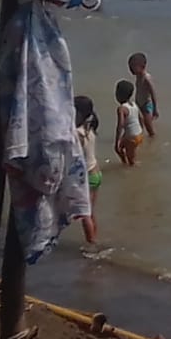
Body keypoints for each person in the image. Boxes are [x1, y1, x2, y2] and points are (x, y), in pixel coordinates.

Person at [74, 96, 101, 244]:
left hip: (88, 178)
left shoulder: (78, 133)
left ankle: (91, 244)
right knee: (90, 212)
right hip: (97, 173)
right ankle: (94, 239)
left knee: (85, 214)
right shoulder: (90, 129)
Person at [113, 80, 144, 167]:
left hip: (131, 137)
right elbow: (141, 118)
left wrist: (117, 140)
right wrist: (141, 131)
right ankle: (124, 163)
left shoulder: (121, 108)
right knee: (121, 149)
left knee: (131, 161)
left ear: (118, 95)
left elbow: (120, 125)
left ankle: (131, 169)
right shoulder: (134, 104)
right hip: (138, 134)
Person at [129, 52, 159, 138]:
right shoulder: (138, 76)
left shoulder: (147, 78)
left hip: (147, 105)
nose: (130, 69)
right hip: (139, 103)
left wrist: (155, 109)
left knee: (149, 127)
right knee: (139, 126)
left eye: (132, 66)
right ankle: (141, 140)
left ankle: (153, 141)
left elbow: (153, 93)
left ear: (142, 66)